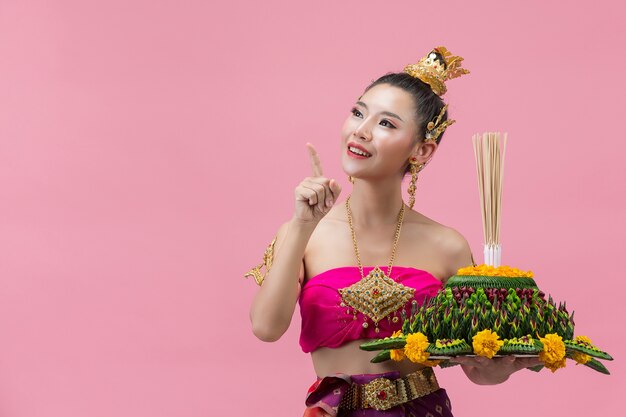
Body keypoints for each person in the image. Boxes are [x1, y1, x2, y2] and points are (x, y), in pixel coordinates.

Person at [246, 46, 542, 417]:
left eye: (386, 123)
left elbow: (475, 369)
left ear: (422, 151)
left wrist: (502, 365)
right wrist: (303, 226)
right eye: (358, 113)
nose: (361, 131)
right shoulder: (304, 232)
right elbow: (266, 327)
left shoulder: (447, 245)